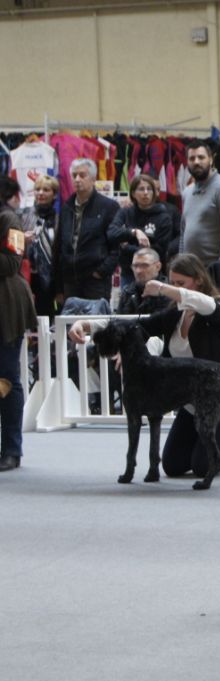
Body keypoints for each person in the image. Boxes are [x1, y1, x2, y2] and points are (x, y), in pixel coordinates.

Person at [68, 253, 220, 478]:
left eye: (180, 284)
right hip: (193, 403)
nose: (174, 288)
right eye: (172, 283)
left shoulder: (216, 311)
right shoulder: (174, 315)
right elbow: (132, 325)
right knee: (173, 466)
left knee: (202, 467)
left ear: (198, 281)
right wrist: (84, 324)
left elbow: (200, 301)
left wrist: (162, 289)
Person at [53, 158, 120, 304]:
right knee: (71, 324)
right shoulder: (66, 207)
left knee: (95, 324)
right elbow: (59, 247)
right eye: (74, 175)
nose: (77, 179)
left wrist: (102, 271)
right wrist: (59, 285)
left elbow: (117, 246)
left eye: (82, 175)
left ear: (93, 178)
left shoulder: (108, 207)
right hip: (70, 280)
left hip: (95, 280)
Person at [0, 211, 37, 472]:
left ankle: (12, 449)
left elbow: (13, 263)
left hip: (7, 307)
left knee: (6, 379)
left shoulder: (9, 220)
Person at [108, 173, 181, 291]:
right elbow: (112, 232)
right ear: (133, 193)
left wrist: (127, 247)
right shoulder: (125, 212)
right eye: (141, 189)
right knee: (128, 307)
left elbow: (159, 250)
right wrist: (134, 232)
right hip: (128, 272)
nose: (146, 193)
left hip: (153, 275)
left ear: (154, 193)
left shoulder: (164, 217)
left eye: (149, 189)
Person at [180, 140, 220, 266]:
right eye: (192, 158)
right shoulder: (187, 192)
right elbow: (183, 232)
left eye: (201, 157)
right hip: (191, 271)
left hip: (214, 270)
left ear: (211, 160)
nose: (196, 162)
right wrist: (181, 264)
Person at [19, 175, 61, 318]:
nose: (41, 193)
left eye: (46, 189)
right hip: (26, 273)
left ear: (54, 194)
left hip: (50, 277)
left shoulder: (59, 219)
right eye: (37, 189)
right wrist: (23, 239)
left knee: (46, 316)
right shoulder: (23, 215)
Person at [117, 247, 169, 315]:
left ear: (158, 266)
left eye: (144, 265)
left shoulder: (168, 291)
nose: (138, 271)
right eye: (135, 266)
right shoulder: (127, 292)